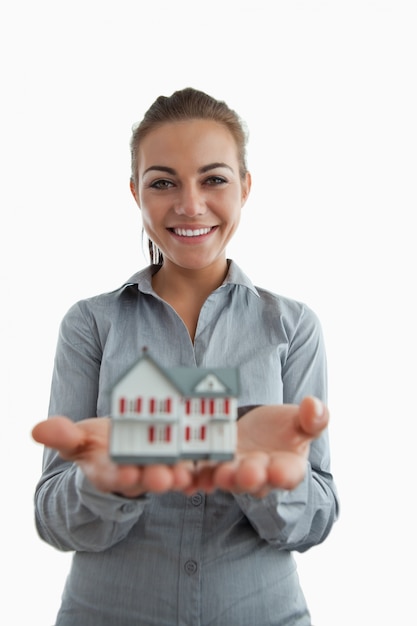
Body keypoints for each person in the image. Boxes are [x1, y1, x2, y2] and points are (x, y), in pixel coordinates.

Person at [32, 87, 339, 626]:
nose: (190, 204)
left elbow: (314, 522)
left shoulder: (293, 327)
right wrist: (112, 478)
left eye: (214, 179)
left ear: (245, 187)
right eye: (163, 182)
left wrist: (271, 480)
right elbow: (54, 519)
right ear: (136, 193)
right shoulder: (90, 325)